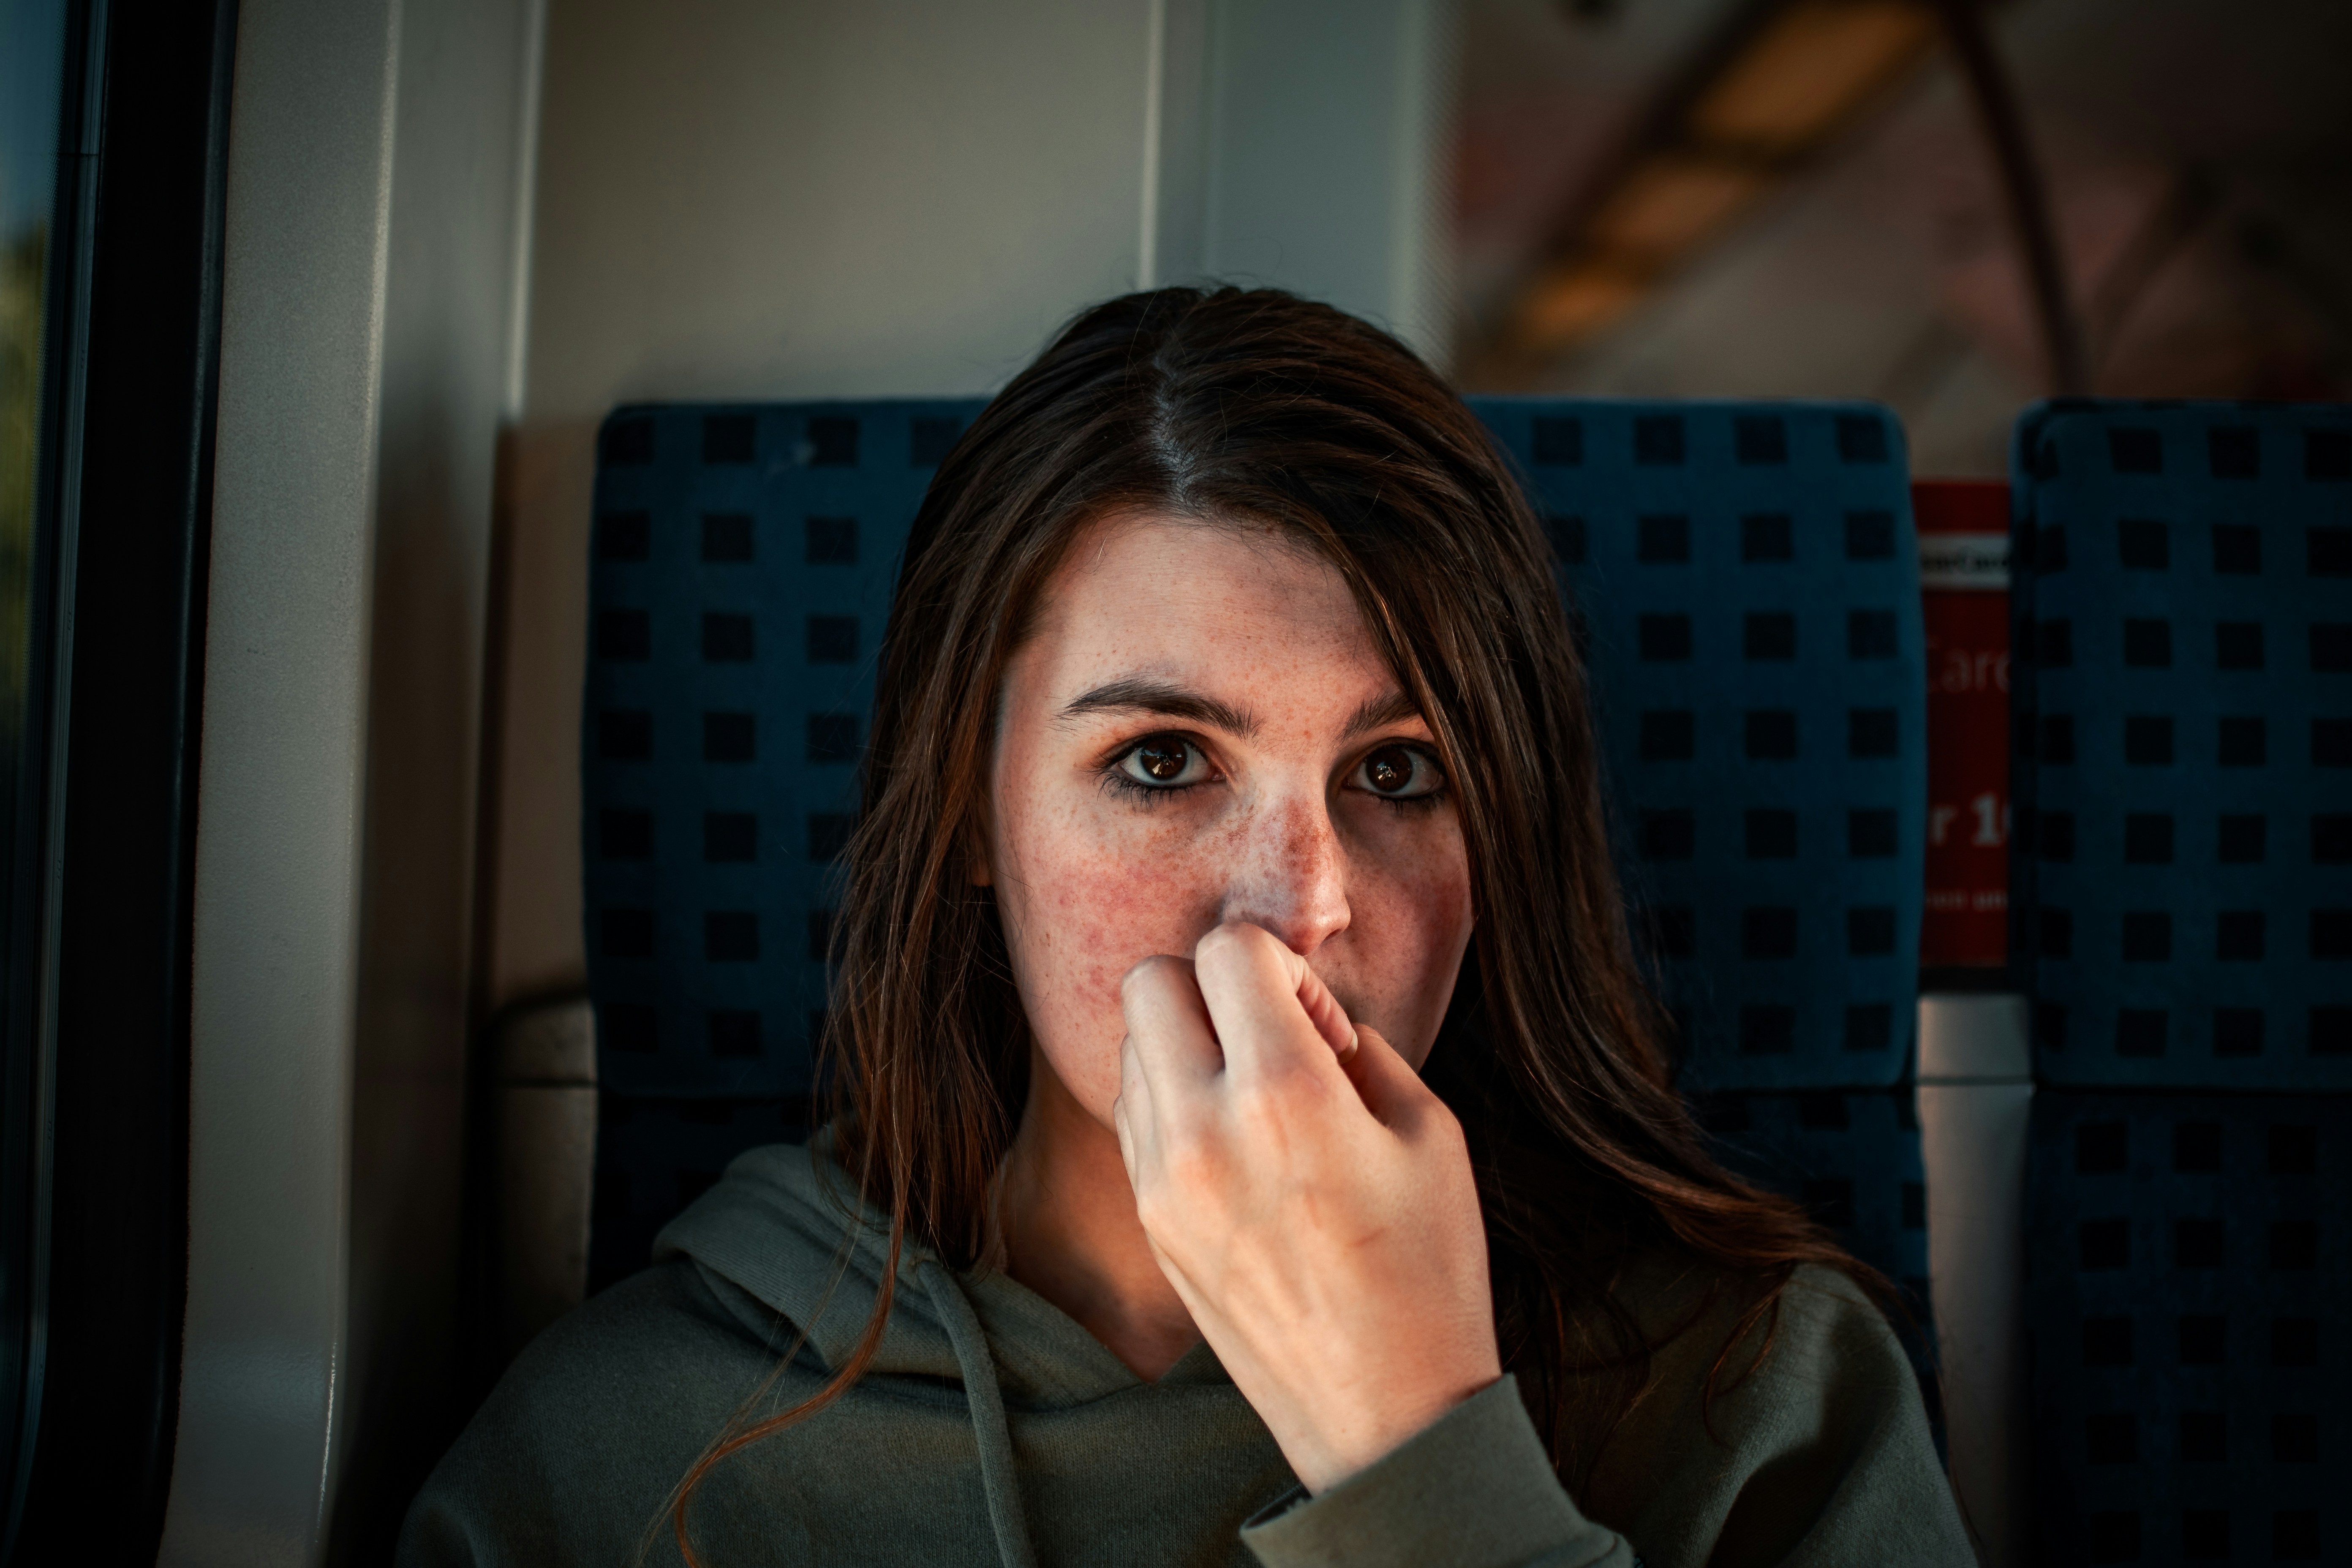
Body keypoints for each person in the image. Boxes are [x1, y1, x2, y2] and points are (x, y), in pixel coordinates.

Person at [400, 288, 1972, 1568]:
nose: (1302, 907)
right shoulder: (632, 1458)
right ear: (965, 814)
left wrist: (1418, 1451)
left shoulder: (1756, 1406)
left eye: (1399, 772)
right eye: (1162, 763)